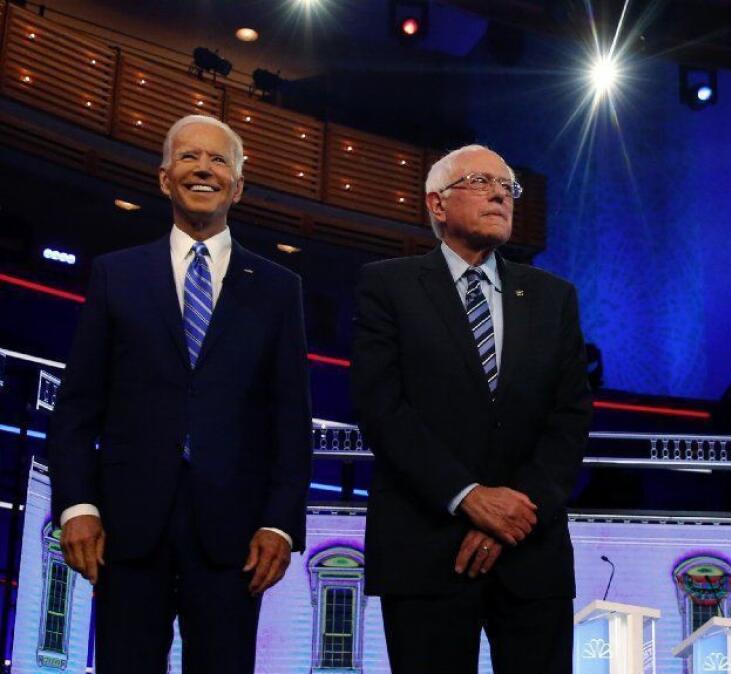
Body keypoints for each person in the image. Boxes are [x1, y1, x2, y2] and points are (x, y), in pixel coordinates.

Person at [46, 115, 312, 673]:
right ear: (165, 177)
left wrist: (280, 522)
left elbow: (290, 419)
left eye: (219, 161)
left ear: (237, 186)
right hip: (125, 528)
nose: (204, 169)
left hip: (234, 539)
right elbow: (76, 408)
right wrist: (77, 505)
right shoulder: (116, 275)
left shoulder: (279, 289)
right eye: (189, 157)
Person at [351, 144, 593, 673]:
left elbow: (570, 417)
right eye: (482, 181)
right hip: (427, 546)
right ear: (437, 204)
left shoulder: (555, 297)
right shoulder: (388, 285)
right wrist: (467, 497)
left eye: (509, 186)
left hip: (531, 551)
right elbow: (381, 408)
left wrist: (515, 509)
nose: (501, 193)